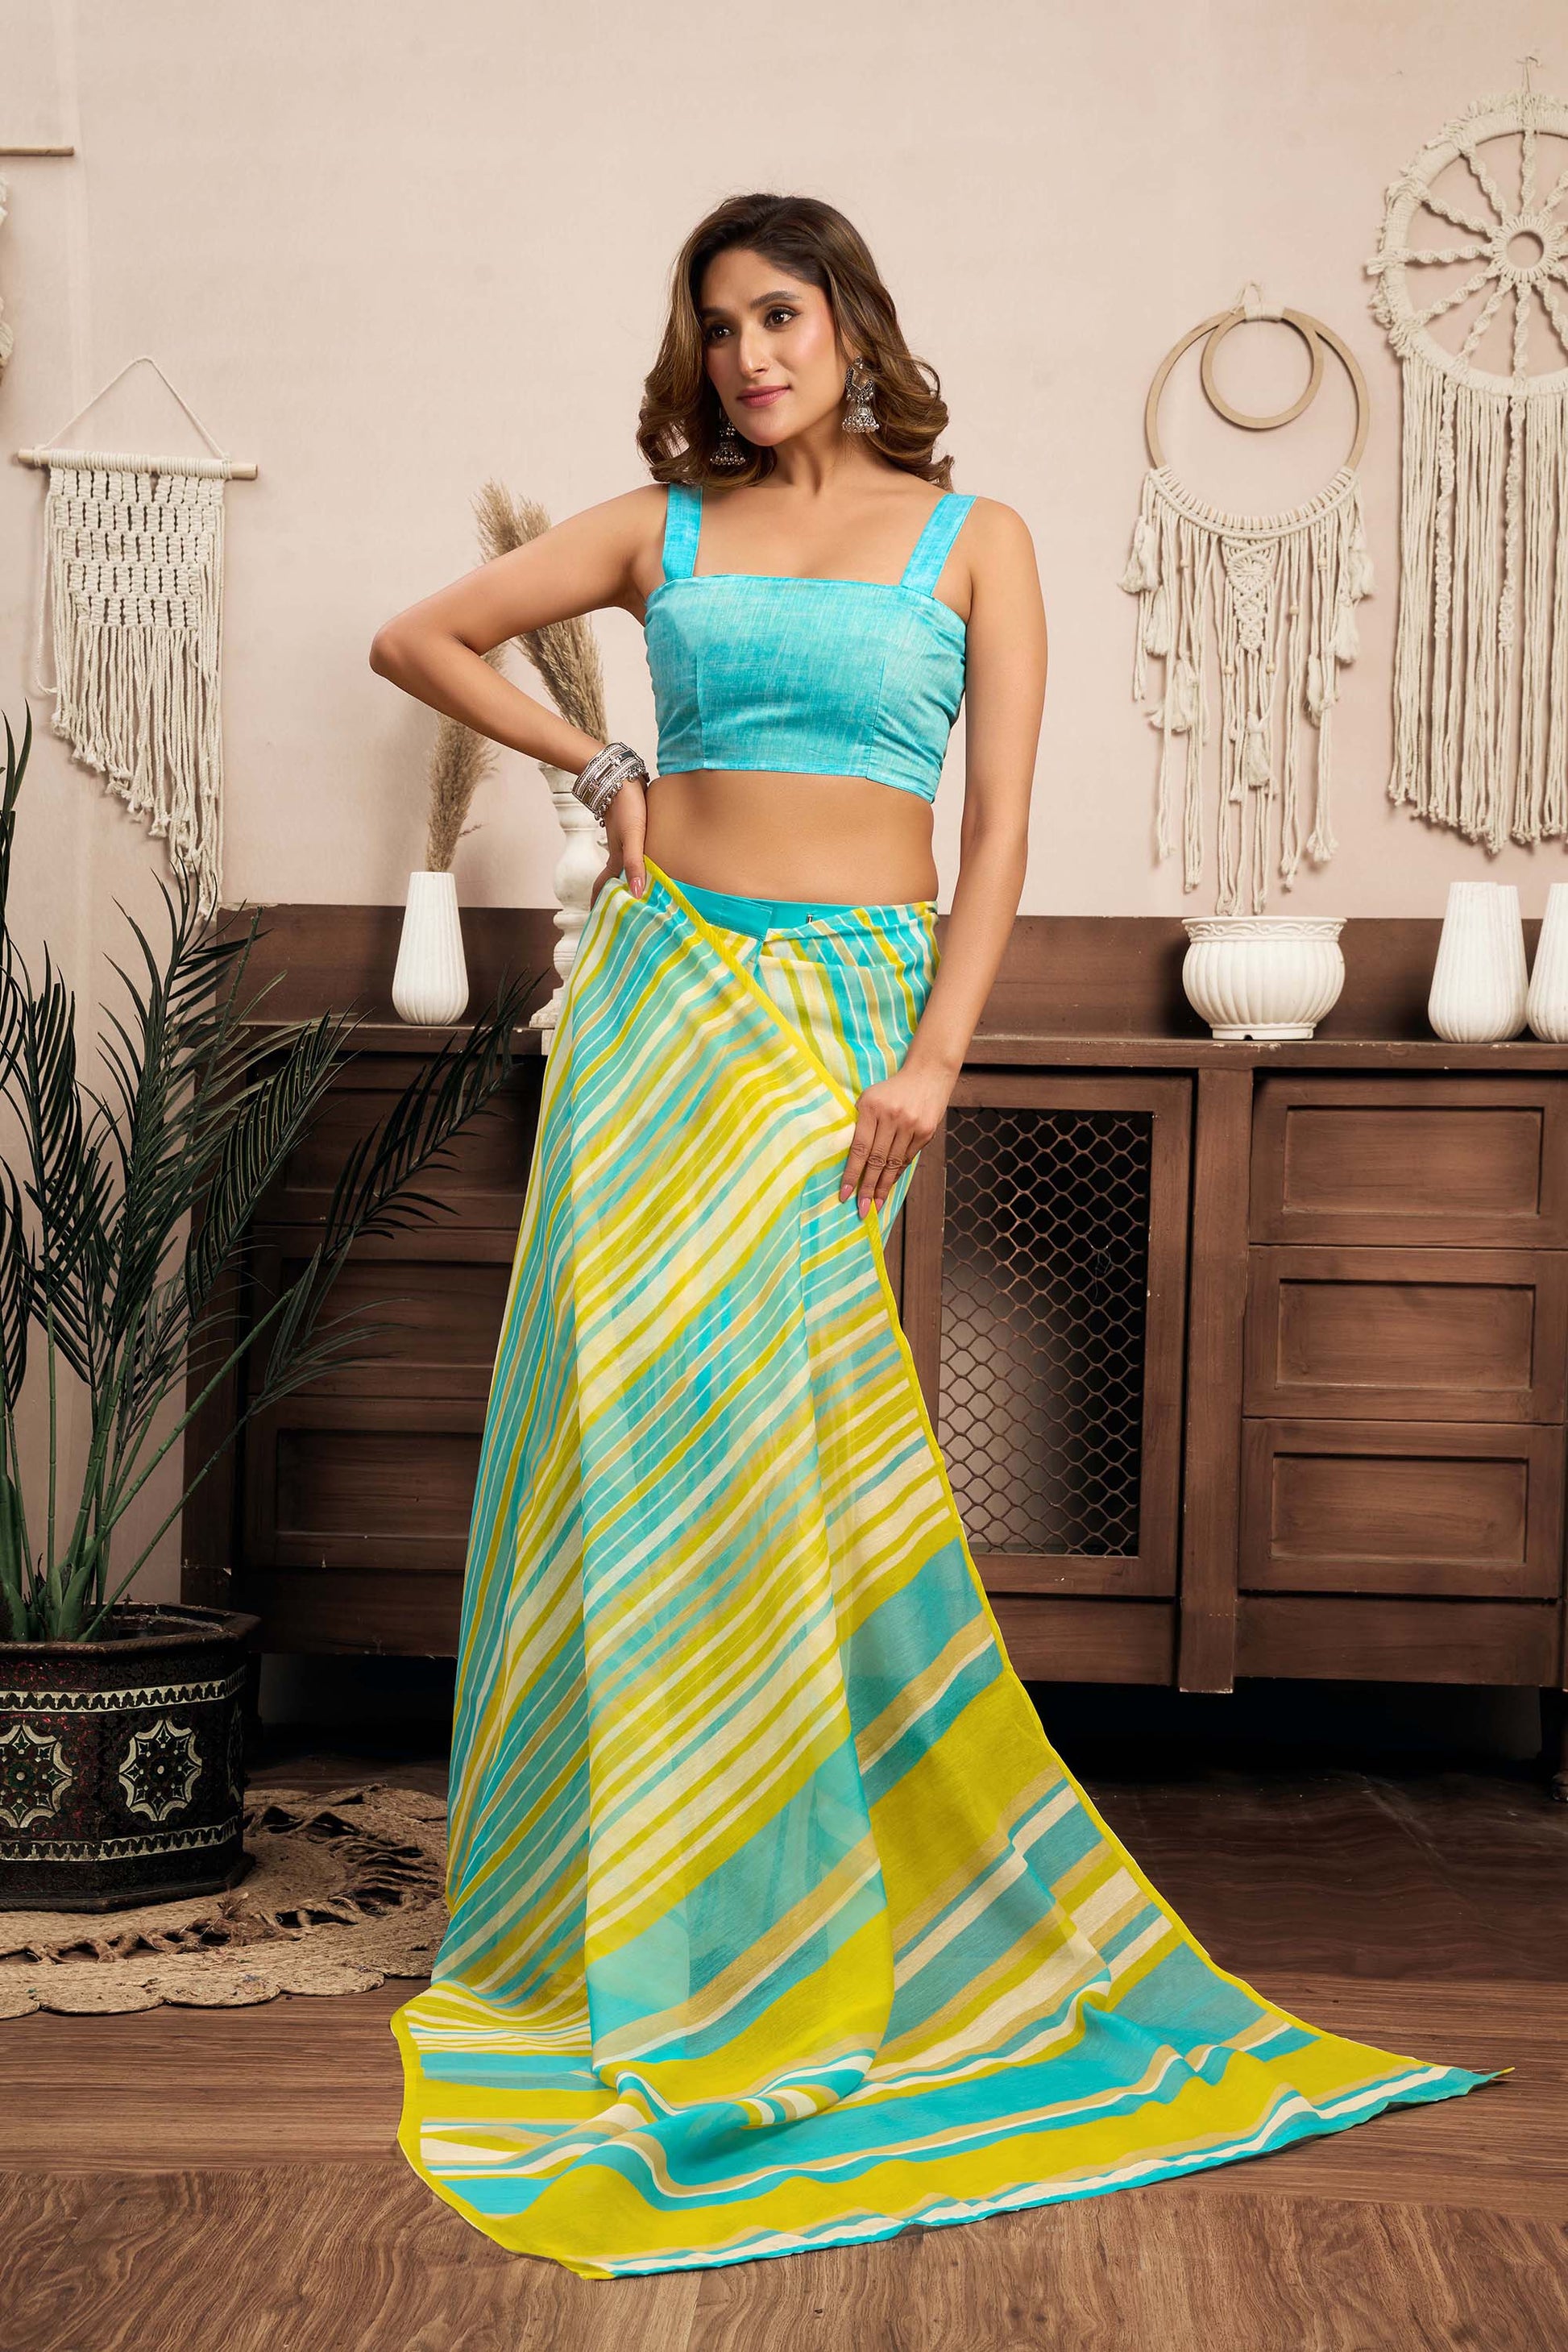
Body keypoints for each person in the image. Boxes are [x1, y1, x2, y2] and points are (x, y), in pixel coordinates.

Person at [368, 192, 1502, 2282]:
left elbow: (996, 833)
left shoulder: (976, 540)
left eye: (780, 316)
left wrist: (935, 1064)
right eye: (719, 325)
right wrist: (604, 765)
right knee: (656, 1431)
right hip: (663, 1001)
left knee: (791, 1429)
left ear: (852, 325)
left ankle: (803, 1898)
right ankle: (658, 1906)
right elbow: (417, 639)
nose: (750, 356)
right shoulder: (662, 529)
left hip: (845, 1013)